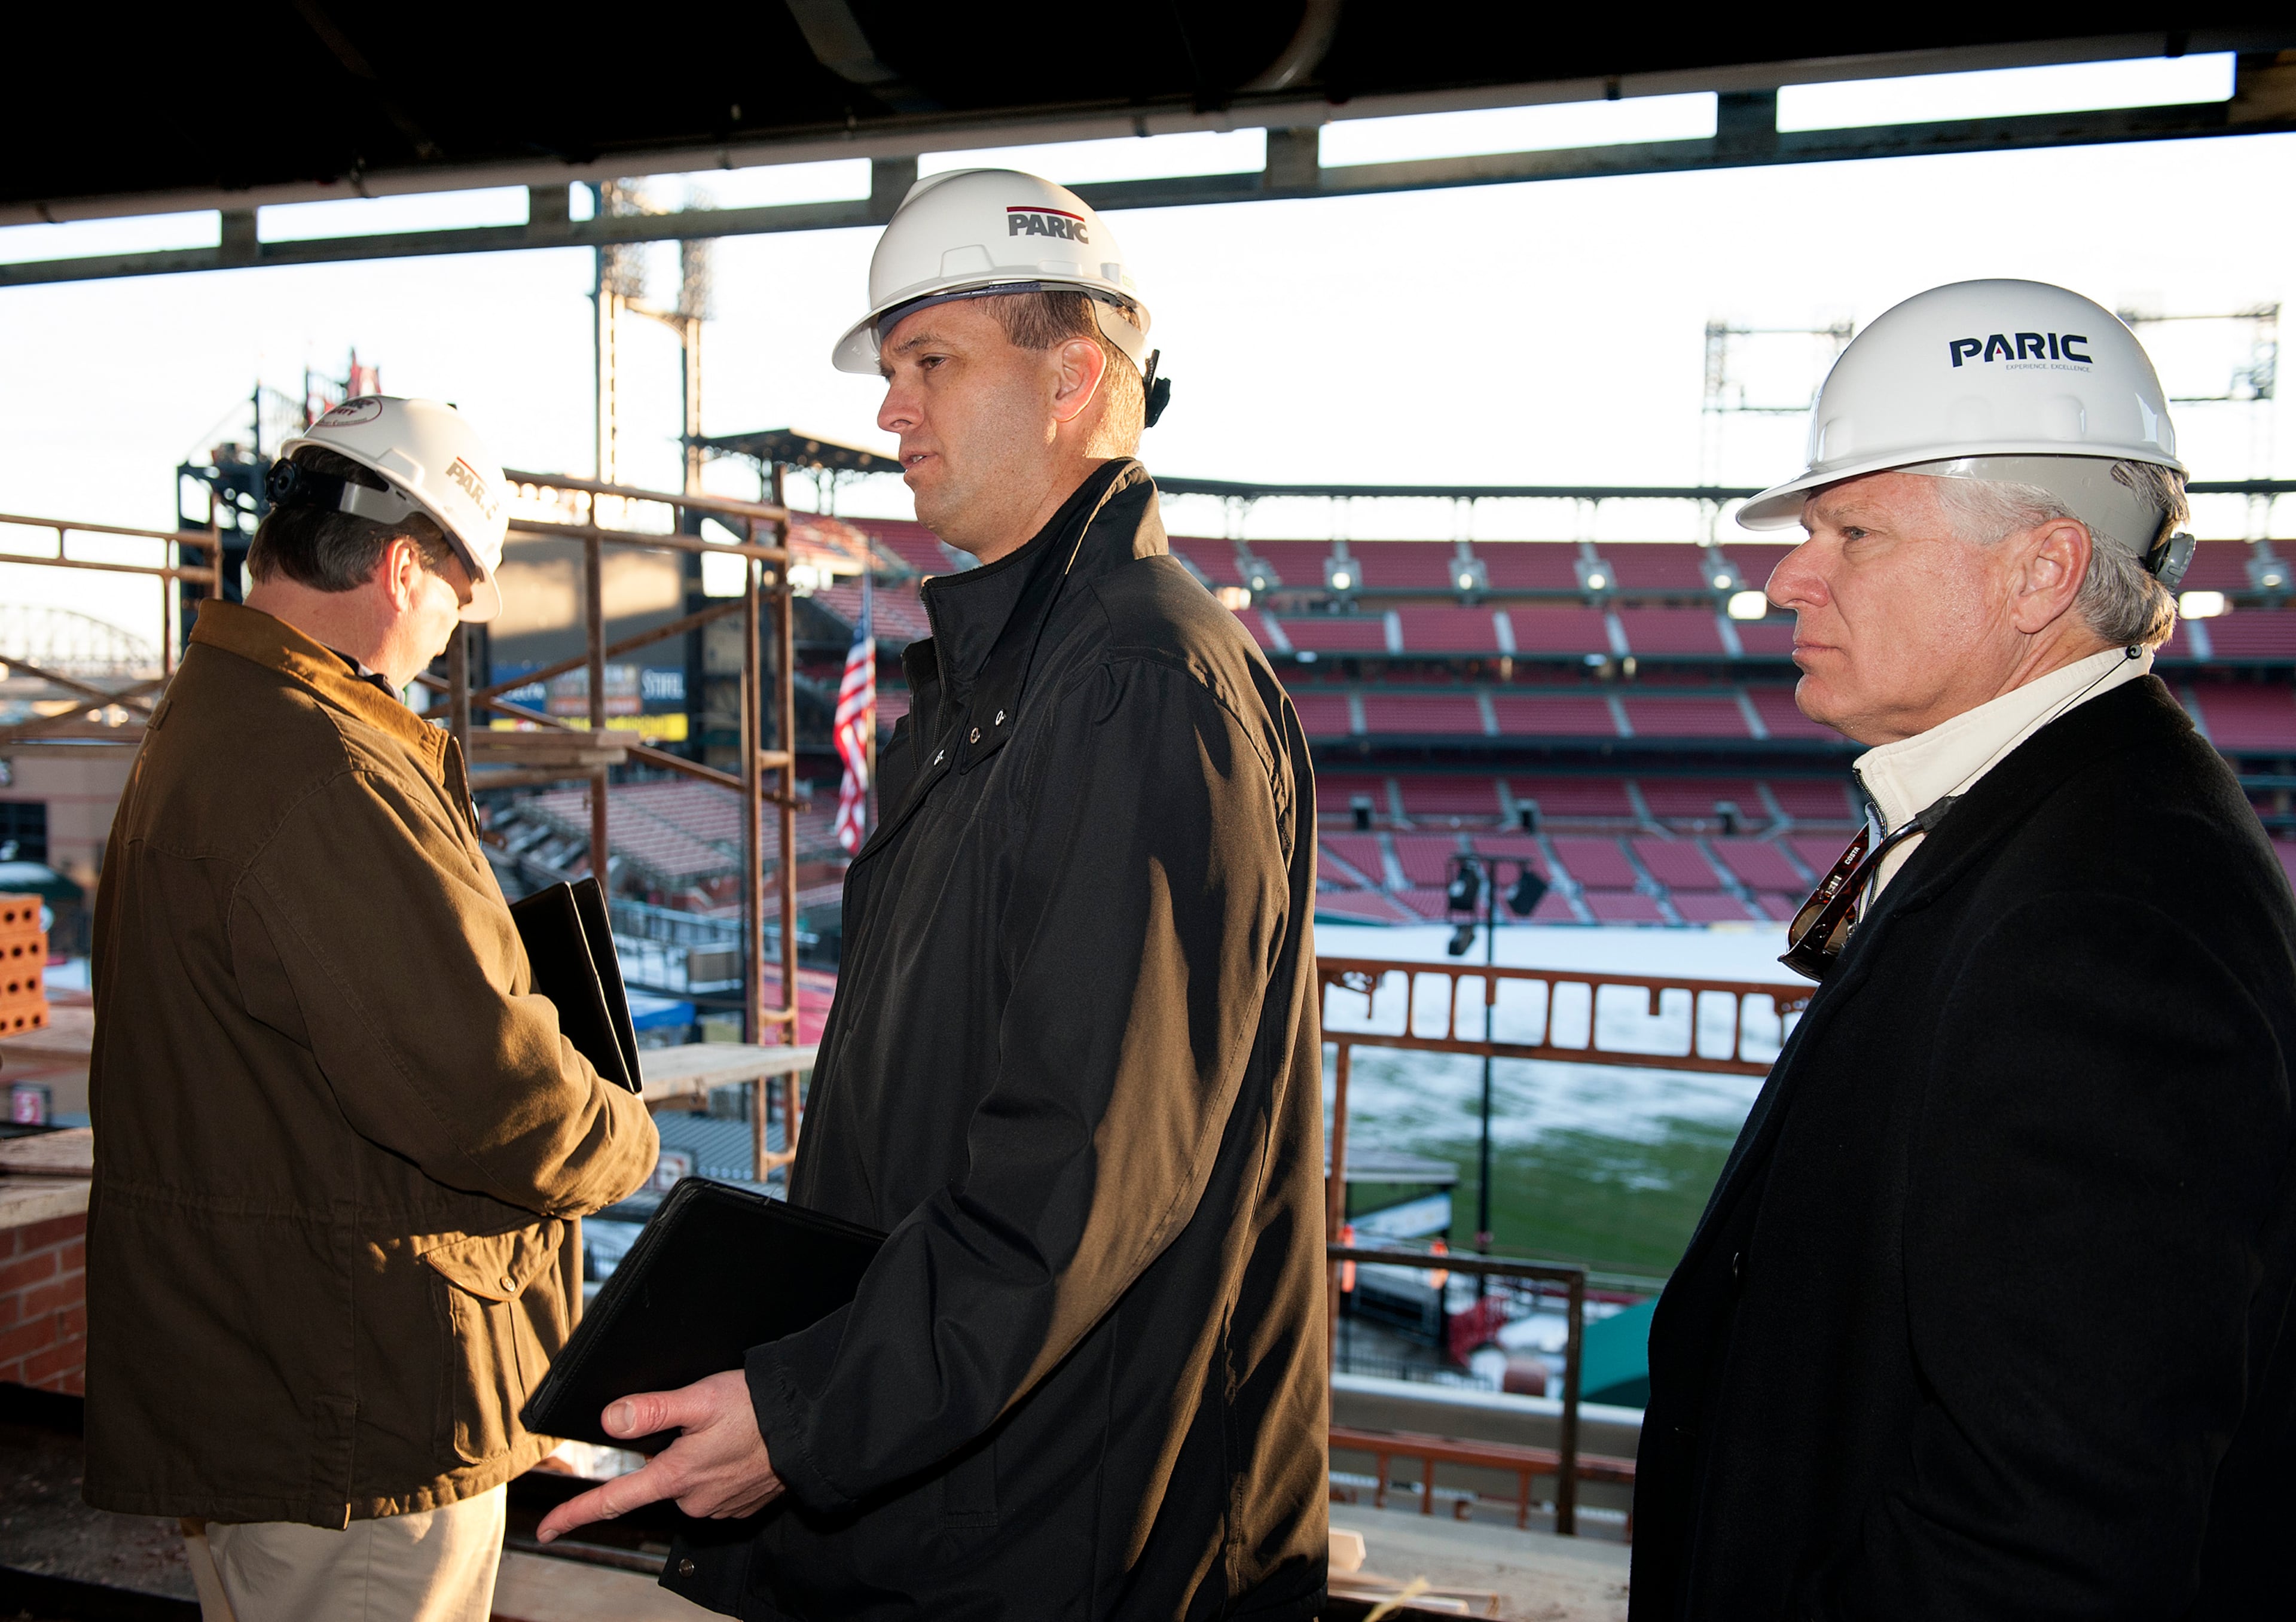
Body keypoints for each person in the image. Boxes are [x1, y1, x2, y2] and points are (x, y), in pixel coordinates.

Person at [536, 169, 1329, 1620]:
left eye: (930, 363)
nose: (890, 412)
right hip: (965, 1486)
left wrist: (810, 1412)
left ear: (1072, 376)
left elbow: (1085, 1166)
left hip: (1062, 1527)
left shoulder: (1138, 688)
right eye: (894, 370)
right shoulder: (1016, 682)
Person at [1632, 280, 2296, 1617]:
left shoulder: (2103, 922)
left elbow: (2047, 1533)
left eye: (1853, 531)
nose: (1781, 577)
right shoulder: (2058, 827)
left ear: (2043, 570)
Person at [84, 397, 660, 1622]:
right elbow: (481, 1087)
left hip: (269, 1375)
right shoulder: (327, 763)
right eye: (459, 595)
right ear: (403, 566)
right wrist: (627, 1137)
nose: (452, 632)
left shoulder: (218, 721)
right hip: (357, 1401)